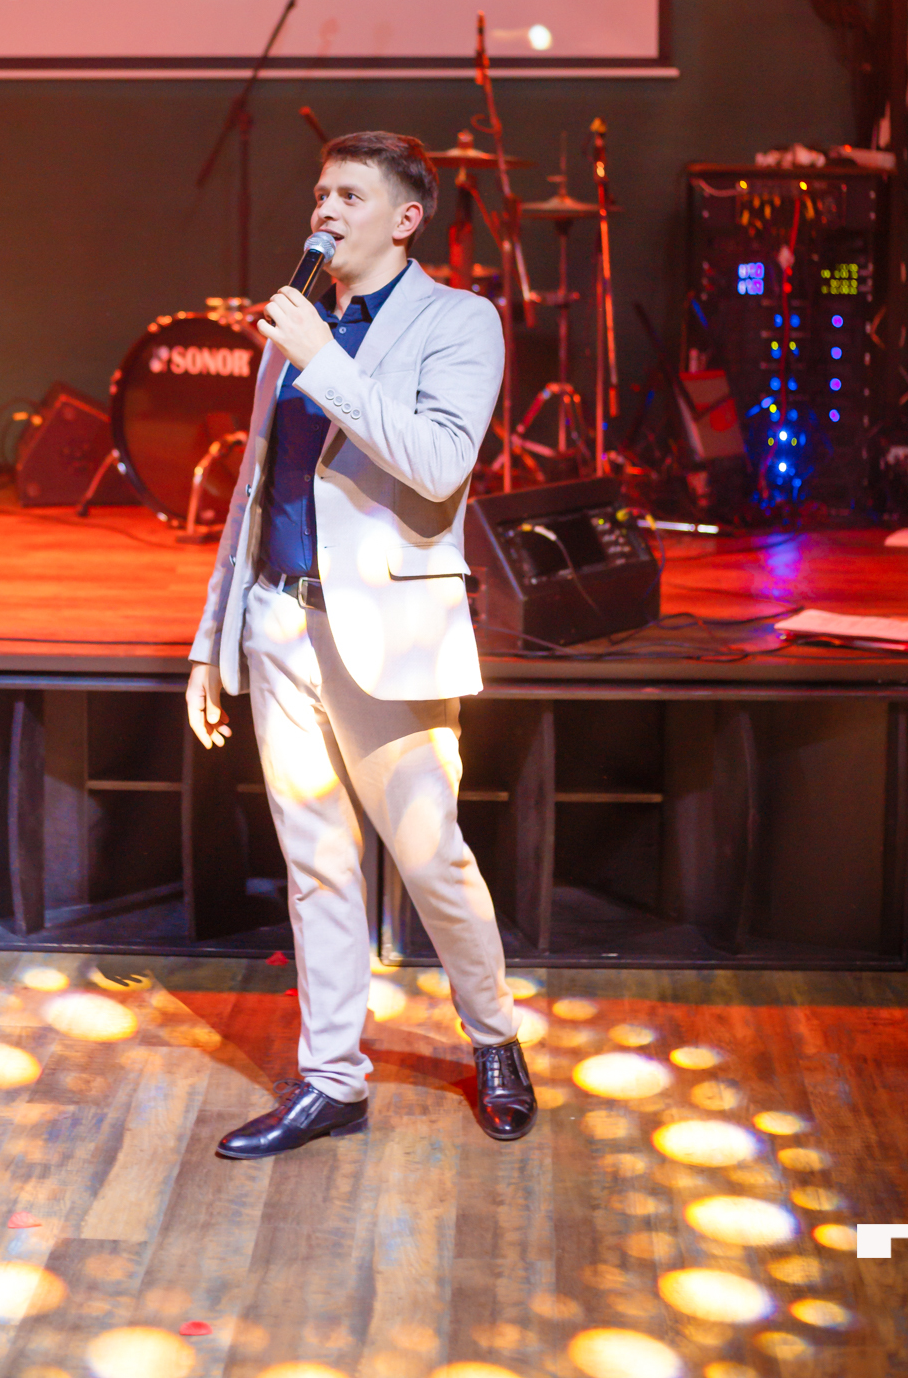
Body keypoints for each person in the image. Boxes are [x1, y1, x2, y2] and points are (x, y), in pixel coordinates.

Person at [186, 130, 536, 1158]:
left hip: (385, 632)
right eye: (320, 194)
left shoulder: (458, 321)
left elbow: (436, 463)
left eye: (348, 195)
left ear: (405, 217)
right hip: (278, 620)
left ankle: (494, 1037)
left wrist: (324, 361)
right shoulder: (295, 328)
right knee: (317, 867)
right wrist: (211, 639)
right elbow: (253, 490)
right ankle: (332, 1080)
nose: (324, 211)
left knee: (431, 859)